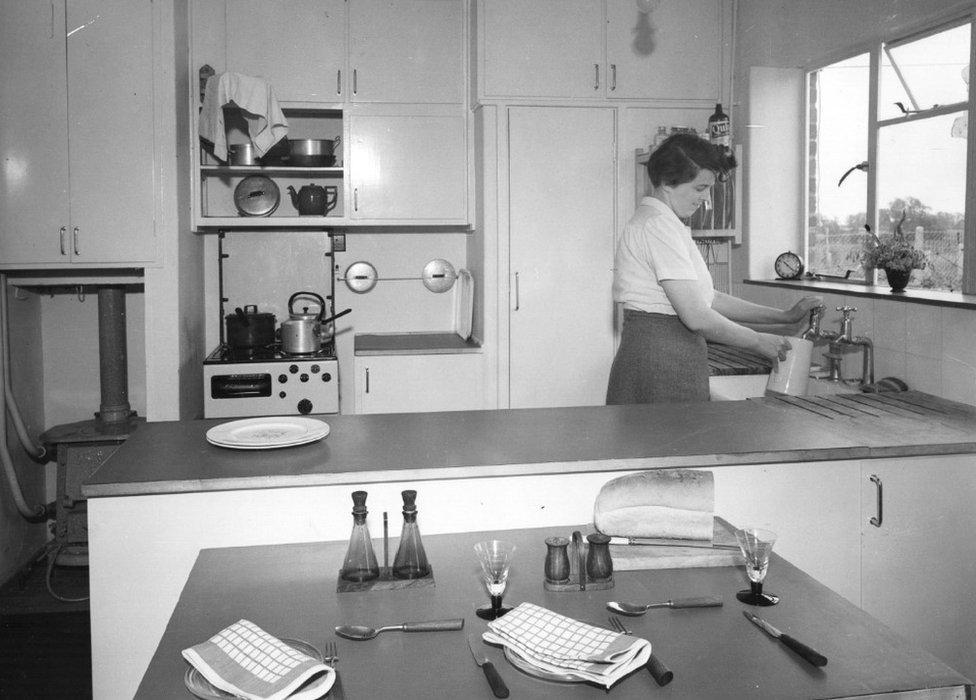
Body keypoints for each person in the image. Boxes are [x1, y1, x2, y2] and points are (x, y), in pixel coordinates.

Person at [606, 133, 822, 404]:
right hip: (661, 359)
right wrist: (758, 341)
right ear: (666, 183)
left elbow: (710, 299)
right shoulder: (658, 226)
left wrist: (785, 317)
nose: (706, 197)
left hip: (666, 355)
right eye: (699, 188)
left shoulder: (665, 224)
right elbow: (696, 315)